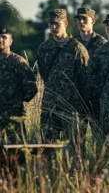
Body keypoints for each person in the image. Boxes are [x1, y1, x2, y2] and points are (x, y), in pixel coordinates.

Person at [37, 9, 89, 140]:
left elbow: (86, 80)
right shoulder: (44, 48)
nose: (54, 27)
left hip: (71, 107)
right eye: (51, 24)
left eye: (57, 24)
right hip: (50, 106)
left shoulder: (77, 48)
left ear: (65, 23)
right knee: (47, 147)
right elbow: (43, 74)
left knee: (74, 148)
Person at [0, 27, 37, 131]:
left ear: (10, 41)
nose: (0, 40)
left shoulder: (18, 62)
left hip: (13, 119)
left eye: (4, 37)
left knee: (15, 146)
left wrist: (16, 102)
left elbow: (32, 87)